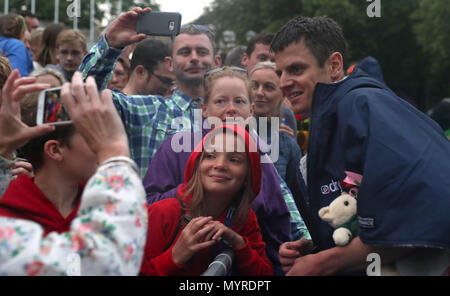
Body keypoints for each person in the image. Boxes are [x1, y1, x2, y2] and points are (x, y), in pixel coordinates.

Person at [272, 16, 450, 275]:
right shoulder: (336, 113)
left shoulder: (361, 104)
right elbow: (370, 211)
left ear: (334, 65)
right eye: (280, 72)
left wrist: (325, 262)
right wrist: (318, 246)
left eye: (296, 69)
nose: (283, 82)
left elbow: (424, 209)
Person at [144, 66, 309, 275]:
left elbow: (277, 223)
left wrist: (285, 256)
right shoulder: (177, 147)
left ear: (250, 111)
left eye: (239, 101)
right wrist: (194, 198)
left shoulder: (258, 155)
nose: (231, 109)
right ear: (204, 109)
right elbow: (148, 207)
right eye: (221, 101)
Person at [0, 70, 147, 275]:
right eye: (91, 134)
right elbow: (102, 263)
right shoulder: (10, 211)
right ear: (55, 150)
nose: (100, 144)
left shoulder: (96, 201)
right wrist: (114, 151)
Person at [79, 7, 221, 177]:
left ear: (216, 61)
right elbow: (83, 96)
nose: (194, 58)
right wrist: (110, 44)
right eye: (184, 52)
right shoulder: (145, 109)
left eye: (202, 52)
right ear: (170, 64)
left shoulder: (234, 115)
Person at [140, 124, 273, 276]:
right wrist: (175, 256)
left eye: (234, 160)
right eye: (210, 156)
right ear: (196, 164)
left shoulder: (244, 218)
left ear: (248, 176)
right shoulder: (164, 212)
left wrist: (238, 243)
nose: (220, 165)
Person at [250, 61, 301, 183]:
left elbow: (295, 196)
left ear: (282, 94)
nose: (259, 92)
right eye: (254, 86)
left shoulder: (287, 145)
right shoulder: (230, 135)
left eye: (269, 87)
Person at [241, 31, 297, 138]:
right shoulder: (231, 104)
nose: (268, 64)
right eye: (262, 58)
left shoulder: (286, 114)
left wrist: (285, 143)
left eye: (274, 61)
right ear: (245, 59)